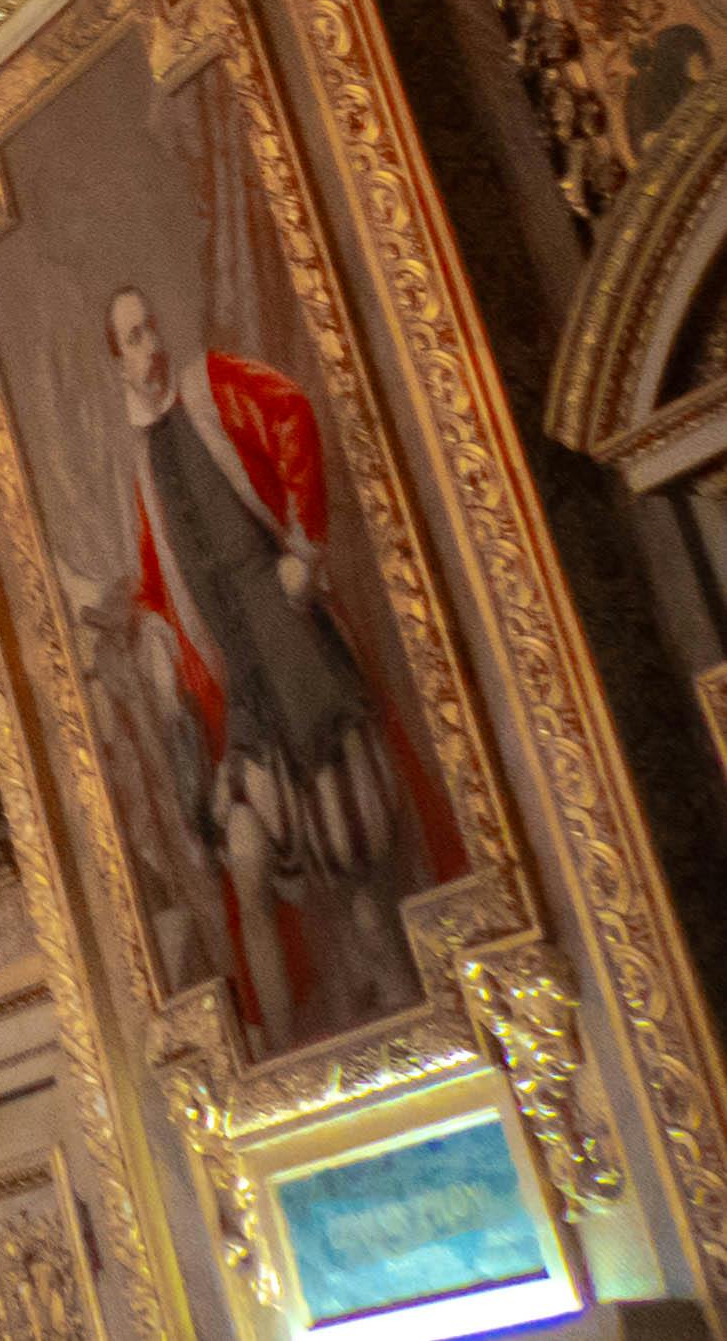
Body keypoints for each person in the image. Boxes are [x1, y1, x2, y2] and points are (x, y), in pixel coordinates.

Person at [96, 288, 457, 1042]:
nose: (150, 346)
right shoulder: (141, 457)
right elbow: (159, 579)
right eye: (133, 337)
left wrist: (304, 543)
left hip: (294, 649)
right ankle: (284, 1047)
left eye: (151, 325)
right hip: (245, 683)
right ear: (118, 361)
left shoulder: (213, 382)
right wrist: (152, 641)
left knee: (351, 849)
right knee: (251, 862)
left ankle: (405, 1003)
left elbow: (292, 410)